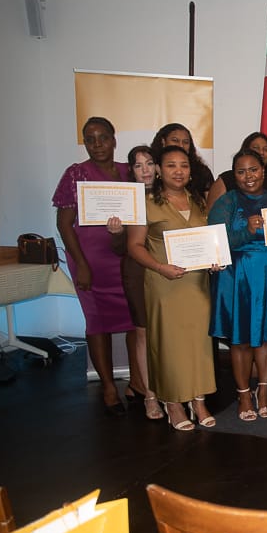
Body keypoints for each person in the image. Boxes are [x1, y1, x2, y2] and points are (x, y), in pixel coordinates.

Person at [126, 144, 217, 431]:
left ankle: (198, 400)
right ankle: (173, 403)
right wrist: (159, 267)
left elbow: (209, 240)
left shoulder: (200, 201)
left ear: (191, 171)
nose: (178, 171)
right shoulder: (145, 203)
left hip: (198, 284)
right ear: (159, 170)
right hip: (164, 283)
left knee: (198, 344)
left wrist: (215, 260)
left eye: (184, 165)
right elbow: (134, 246)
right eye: (171, 165)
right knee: (168, 344)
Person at [53, 116, 137, 416]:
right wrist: (81, 265)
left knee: (134, 322)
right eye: (90, 138)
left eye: (103, 137)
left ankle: (135, 382)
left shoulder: (130, 173)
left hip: (126, 260)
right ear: (85, 143)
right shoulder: (76, 174)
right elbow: (64, 225)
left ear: (114, 139)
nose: (98, 143)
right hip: (90, 262)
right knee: (97, 324)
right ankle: (108, 387)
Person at [208, 148, 267, 422]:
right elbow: (214, 243)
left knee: (266, 337)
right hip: (236, 276)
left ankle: (263, 392)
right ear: (234, 175)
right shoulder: (227, 202)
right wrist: (246, 232)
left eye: (253, 169)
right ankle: (243, 395)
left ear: (263, 171)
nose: (248, 176)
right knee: (240, 340)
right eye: (241, 171)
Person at [109, 145, 163, 420]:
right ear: (131, 170)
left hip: (168, 273)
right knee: (142, 333)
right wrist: (116, 233)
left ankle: (171, 392)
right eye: (138, 165)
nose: (145, 170)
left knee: (166, 334)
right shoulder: (125, 200)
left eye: (149, 163)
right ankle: (150, 396)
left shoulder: (170, 195)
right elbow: (121, 248)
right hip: (137, 273)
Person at [207, 132, 267, 209]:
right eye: (256, 148)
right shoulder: (226, 179)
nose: (261, 152)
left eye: (266, 149)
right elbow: (211, 213)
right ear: (246, 150)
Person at [150, 122, 215, 198]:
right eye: (175, 140)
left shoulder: (201, 171)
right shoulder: (150, 167)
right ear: (163, 141)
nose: (181, 145)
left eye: (185, 142)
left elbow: (211, 205)